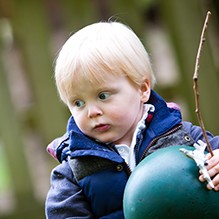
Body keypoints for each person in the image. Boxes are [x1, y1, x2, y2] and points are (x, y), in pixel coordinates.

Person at [45, 21, 219, 219]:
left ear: (142, 89)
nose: (91, 111)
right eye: (78, 103)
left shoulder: (184, 138)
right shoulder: (75, 171)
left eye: (103, 96)